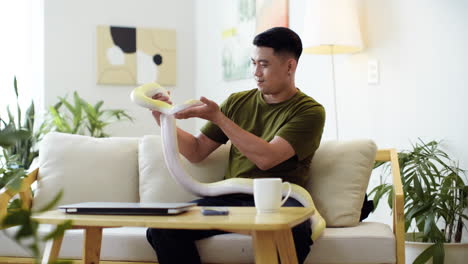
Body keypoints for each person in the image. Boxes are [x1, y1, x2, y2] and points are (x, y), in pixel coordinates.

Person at [146, 27, 325, 264]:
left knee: (294, 231)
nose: (256, 73)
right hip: (229, 196)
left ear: (290, 66)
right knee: (162, 228)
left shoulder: (310, 112)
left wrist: (219, 118)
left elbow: (267, 158)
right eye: (253, 63)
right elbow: (196, 152)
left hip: (280, 200)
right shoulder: (237, 102)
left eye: (264, 64)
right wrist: (162, 118)